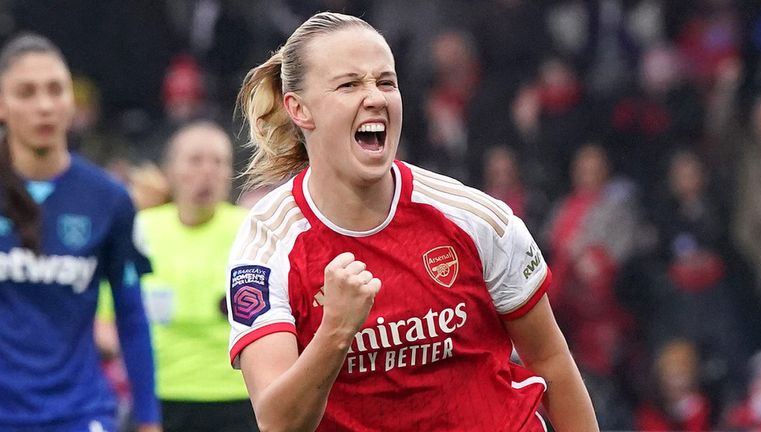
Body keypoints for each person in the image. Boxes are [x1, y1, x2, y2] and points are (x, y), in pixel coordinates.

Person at [227, 12, 598, 432]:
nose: (376, 98)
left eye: (386, 82)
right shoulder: (267, 245)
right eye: (349, 84)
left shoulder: (476, 220)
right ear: (299, 109)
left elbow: (551, 362)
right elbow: (278, 423)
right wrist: (335, 331)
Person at [0, 33, 160, 431]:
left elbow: (131, 315)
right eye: (26, 92)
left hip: (80, 412)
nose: (44, 106)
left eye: (56, 90)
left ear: (73, 102)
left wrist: (149, 419)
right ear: (1, 104)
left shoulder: (108, 200)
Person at [138, 121, 255, 432]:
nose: (208, 171)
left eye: (218, 162)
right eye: (195, 160)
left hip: (238, 394)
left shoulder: (251, 230)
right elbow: (108, 317)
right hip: (162, 396)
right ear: (170, 170)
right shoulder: (142, 230)